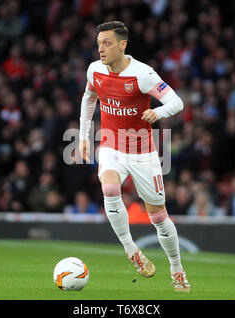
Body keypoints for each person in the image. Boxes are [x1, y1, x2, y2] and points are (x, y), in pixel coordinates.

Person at [78, 21, 189, 292]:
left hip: (142, 153)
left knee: (159, 217)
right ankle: (131, 250)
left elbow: (176, 101)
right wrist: (83, 135)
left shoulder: (143, 74)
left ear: (122, 44)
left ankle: (176, 269)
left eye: (107, 43)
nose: (101, 49)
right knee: (111, 188)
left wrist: (158, 113)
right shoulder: (95, 69)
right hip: (111, 145)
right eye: (99, 43)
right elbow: (88, 98)